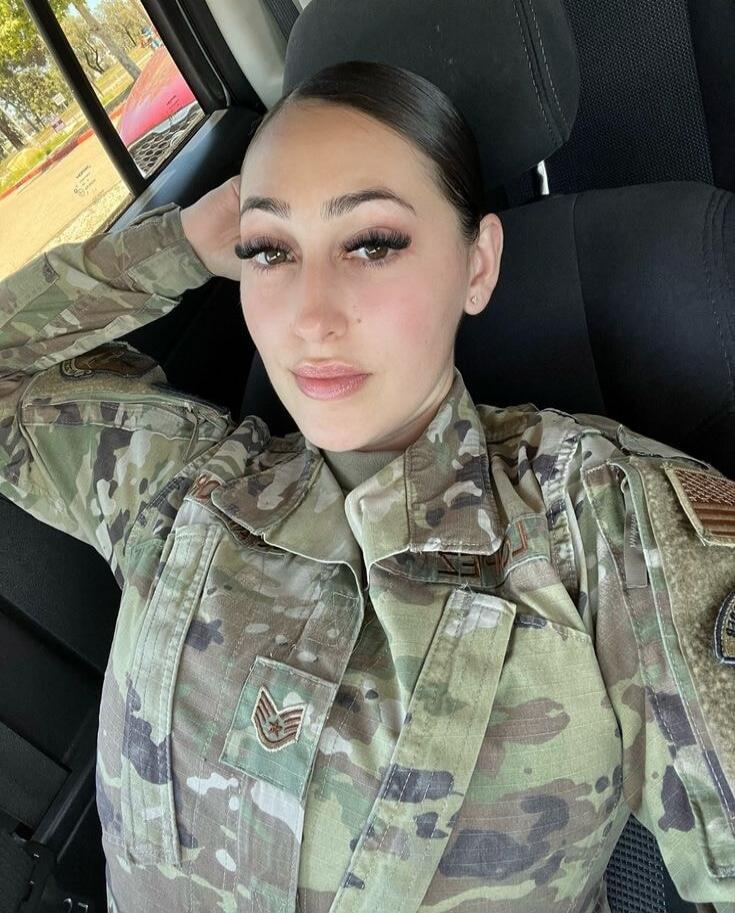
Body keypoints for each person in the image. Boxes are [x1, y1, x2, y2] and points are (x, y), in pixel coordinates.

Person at [1, 59, 734, 913]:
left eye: (371, 243)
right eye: (268, 250)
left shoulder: (599, 526)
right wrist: (177, 246)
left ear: (477, 265)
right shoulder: (178, 487)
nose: (310, 314)